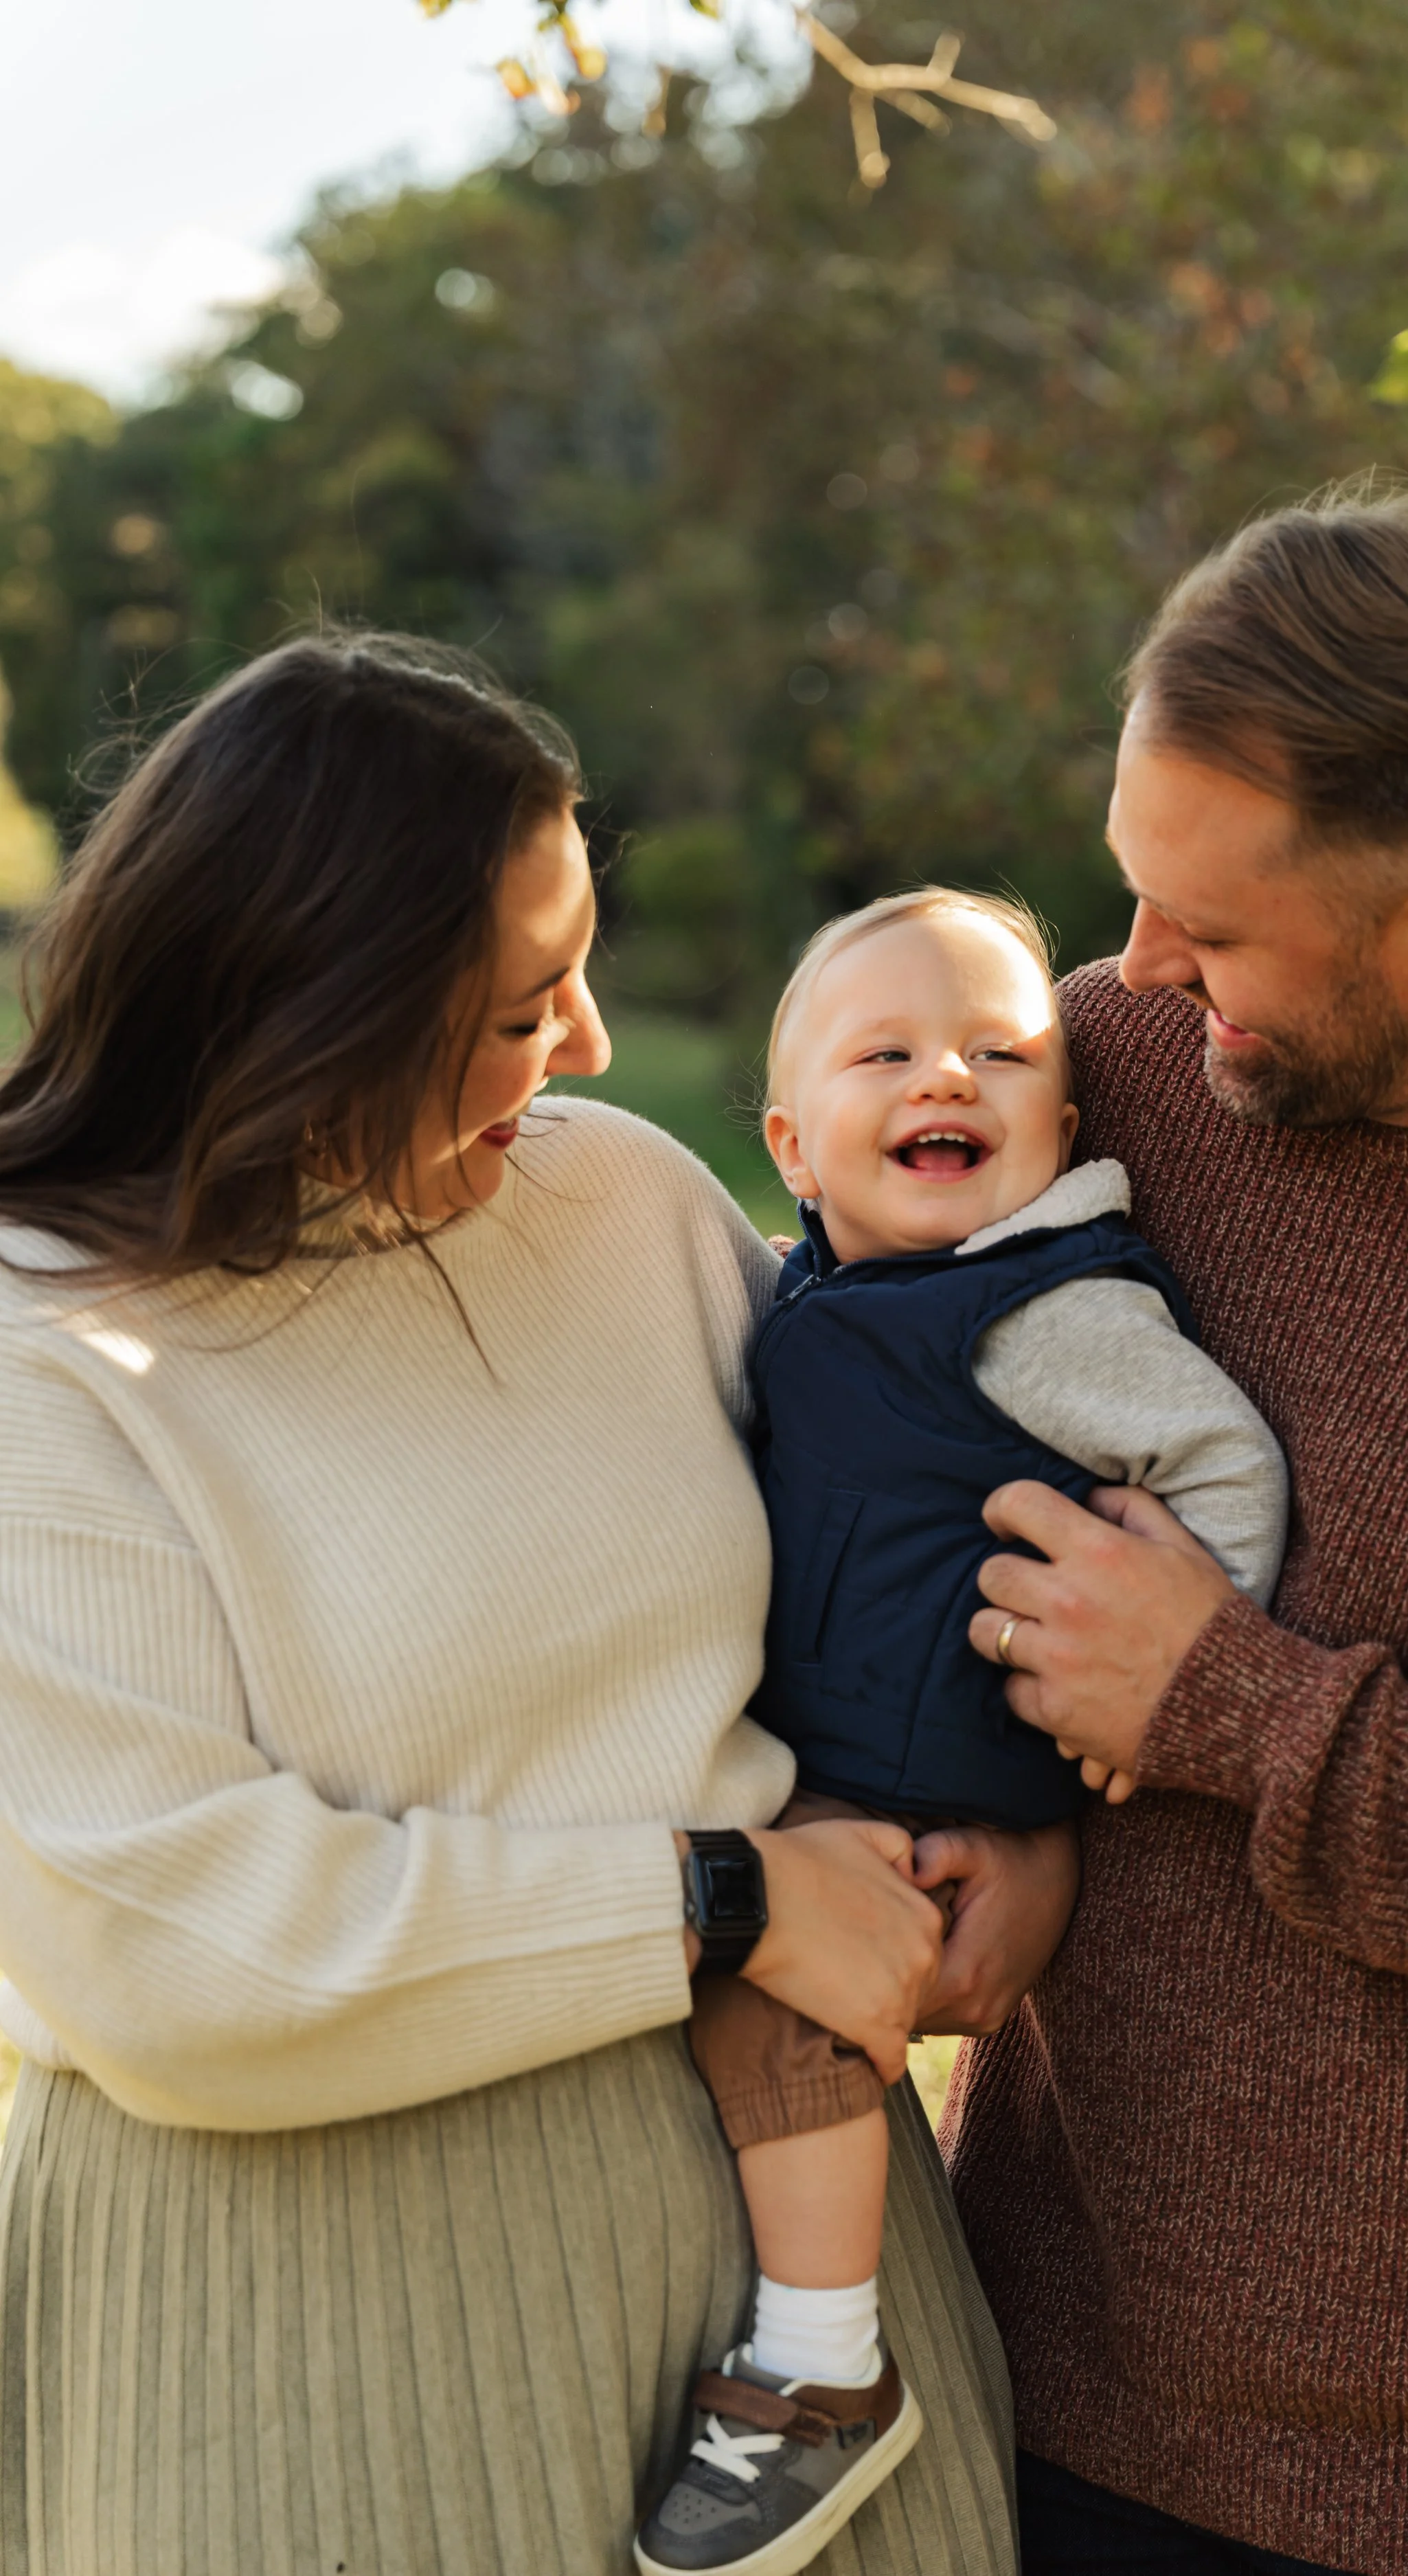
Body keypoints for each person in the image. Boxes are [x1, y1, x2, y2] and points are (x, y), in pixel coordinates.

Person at [0, 632, 1045, 2576]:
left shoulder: (623, 1199)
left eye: (581, 966)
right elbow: (173, 1954)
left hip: (794, 2325)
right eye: (511, 1007)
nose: (581, 1043)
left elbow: (880, 1546)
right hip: (293, 2344)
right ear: (305, 1013)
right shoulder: (39, 1343)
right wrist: (717, 1888)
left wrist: (1005, 1839)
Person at [938, 482, 1408, 2576]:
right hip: (1016, 2379)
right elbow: (805, 1365)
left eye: (1205, 924)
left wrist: (1224, 1701)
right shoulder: (1101, 1067)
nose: (1130, 965)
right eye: (1131, 889)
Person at [637, 888, 1286, 2576]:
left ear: (1059, 1131)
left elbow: (1216, 1456)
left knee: (780, 2016)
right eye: (891, 1053)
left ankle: (817, 2363)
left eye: (1000, 1057)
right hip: (844, 1753)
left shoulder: (1038, 1305)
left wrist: (1175, 1675)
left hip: (926, 1771)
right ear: (792, 1140)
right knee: (779, 2030)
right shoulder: (811, 1289)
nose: (950, 1078)